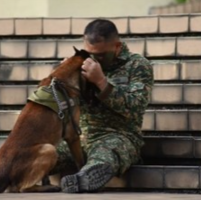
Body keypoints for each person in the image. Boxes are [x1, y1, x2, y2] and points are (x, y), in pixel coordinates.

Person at [56, 19, 154, 193]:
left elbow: (135, 107)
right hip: (80, 138)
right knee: (39, 152)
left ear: (117, 47)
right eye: (89, 53)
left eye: (100, 55)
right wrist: (63, 79)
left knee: (105, 154)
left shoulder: (137, 65)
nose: (94, 59)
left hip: (119, 136)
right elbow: (61, 106)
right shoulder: (82, 64)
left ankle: (84, 179)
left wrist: (101, 82)